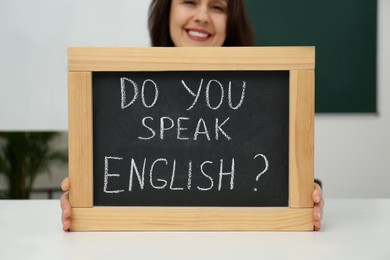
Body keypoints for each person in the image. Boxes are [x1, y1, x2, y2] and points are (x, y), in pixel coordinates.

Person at [61, 0, 324, 231]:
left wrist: (308, 193)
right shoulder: (126, 94)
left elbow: (273, 173)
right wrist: (83, 198)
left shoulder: (259, 97)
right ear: (167, 11)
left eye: (217, 7)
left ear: (231, 21)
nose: (202, 16)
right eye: (189, 2)